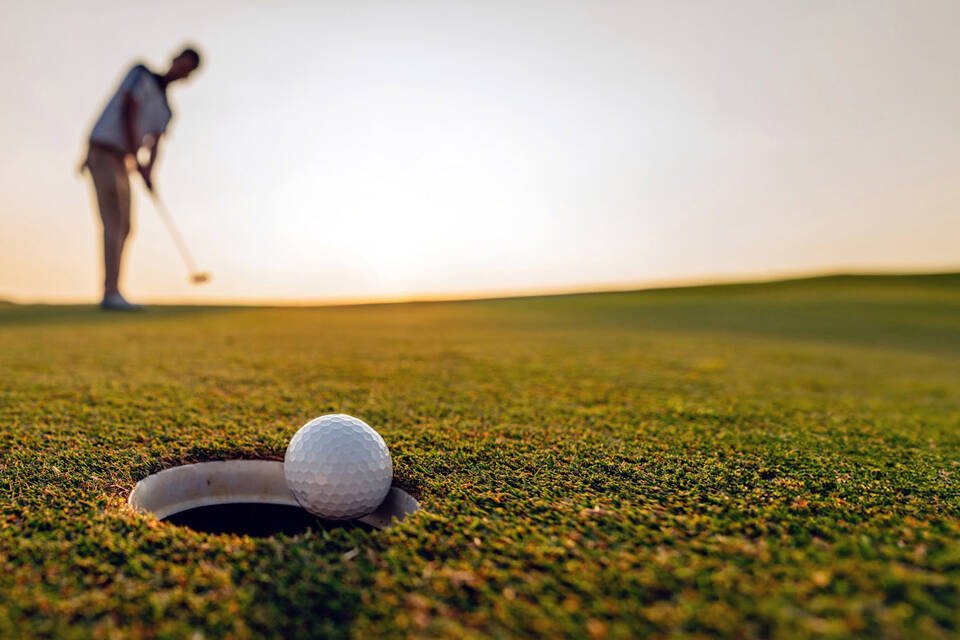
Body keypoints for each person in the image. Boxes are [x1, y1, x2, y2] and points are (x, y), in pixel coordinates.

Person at [83, 47, 201, 310]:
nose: (183, 70)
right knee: (114, 221)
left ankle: (114, 290)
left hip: (123, 161)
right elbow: (129, 108)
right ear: (174, 59)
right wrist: (136, 155)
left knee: (125, 226)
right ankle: (110, 293)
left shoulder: (167, 111)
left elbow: (156, 143)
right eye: (184, 63)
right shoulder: (141, 73)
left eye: (189, 69)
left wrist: (149, 171)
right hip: (104, 150)